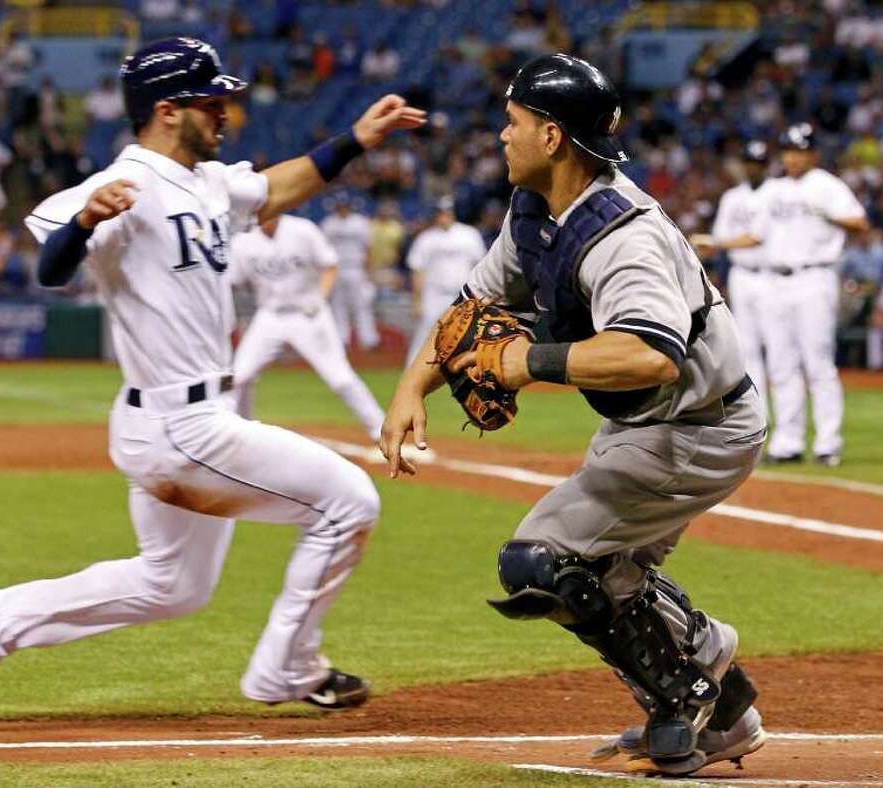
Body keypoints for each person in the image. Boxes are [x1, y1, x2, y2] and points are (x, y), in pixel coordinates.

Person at [0, 37, 424, 713]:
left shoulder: (208, 182)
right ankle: (285, 672)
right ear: (168, 111)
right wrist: (85, 221)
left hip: (182, 420)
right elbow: (49, 270)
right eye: (211, 101)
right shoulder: (124, 185)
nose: (225, 110)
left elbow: (283, 185)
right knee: (351, 502)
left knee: (174, 586)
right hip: (181, 425)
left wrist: (357, 137)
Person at [380, 53, 767, 778]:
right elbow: (474, 314)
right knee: (604, 570)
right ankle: (727, 701)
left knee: (543, 562)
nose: (502, 135)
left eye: (514, 122)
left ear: (552, 136)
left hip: (698, 427)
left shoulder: (625, 236)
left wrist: (525, 363)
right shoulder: (537, 210)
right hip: (652, 423)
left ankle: (690, 686)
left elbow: (651, 355)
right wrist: (411, 387)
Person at [753, 123, 869, 466]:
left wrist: (831, 216)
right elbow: (756, 234)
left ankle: (827, 442)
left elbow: (859, 223)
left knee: (818, 363)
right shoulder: (772, 189)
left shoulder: (827, 186)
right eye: (788, 150)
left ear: (813, 154)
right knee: (782, 364)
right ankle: (787, 443)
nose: (793, 157)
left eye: (800, 151)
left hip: (814, 277)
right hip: (775, 280)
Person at [229, 213, 386, 439]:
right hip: (270, 315)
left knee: (340, 378)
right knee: (240, 376)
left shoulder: (302, 229)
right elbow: (235, 281)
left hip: (308, 314)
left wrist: (320, 297)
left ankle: (380, 429)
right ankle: (242, 432)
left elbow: (330, 265)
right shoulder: (243, 240)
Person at [690, 139, 773, 414]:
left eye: (758, 163)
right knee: (748, 348)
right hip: (742, 275)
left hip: (773, 276)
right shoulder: (732, 197)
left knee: (779, 351)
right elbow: (720, 240)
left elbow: (750, 239)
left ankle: (787, 426)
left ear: (766, 166)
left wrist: (714, 242)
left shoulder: (776, 194)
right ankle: (759, 411)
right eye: (749, 162)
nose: (752, 168)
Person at [403, 196, 486, 367]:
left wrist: (481, 295)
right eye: (440, 213)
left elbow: (482, 265)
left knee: (469, 332)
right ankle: (412, 368)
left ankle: (470, 368)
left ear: (452, 213)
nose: (443, 216)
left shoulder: (469, 234)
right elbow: (417, 270)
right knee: (424, 333)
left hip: (463, 294)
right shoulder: (426, 238)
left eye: (446, 212)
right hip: (434, 293)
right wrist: (417, 301)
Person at [321, 195, 380, 350]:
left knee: (362, 304)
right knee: (338, 305)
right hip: (336, 269)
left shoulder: (360, 222)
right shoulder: (328, 224)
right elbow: (323, 250)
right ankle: (342, 339)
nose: (343, 207)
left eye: (345, 204)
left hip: (356, 268)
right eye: (340, 204)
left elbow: (369, 248)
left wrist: (370, 272)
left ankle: (369, 340)